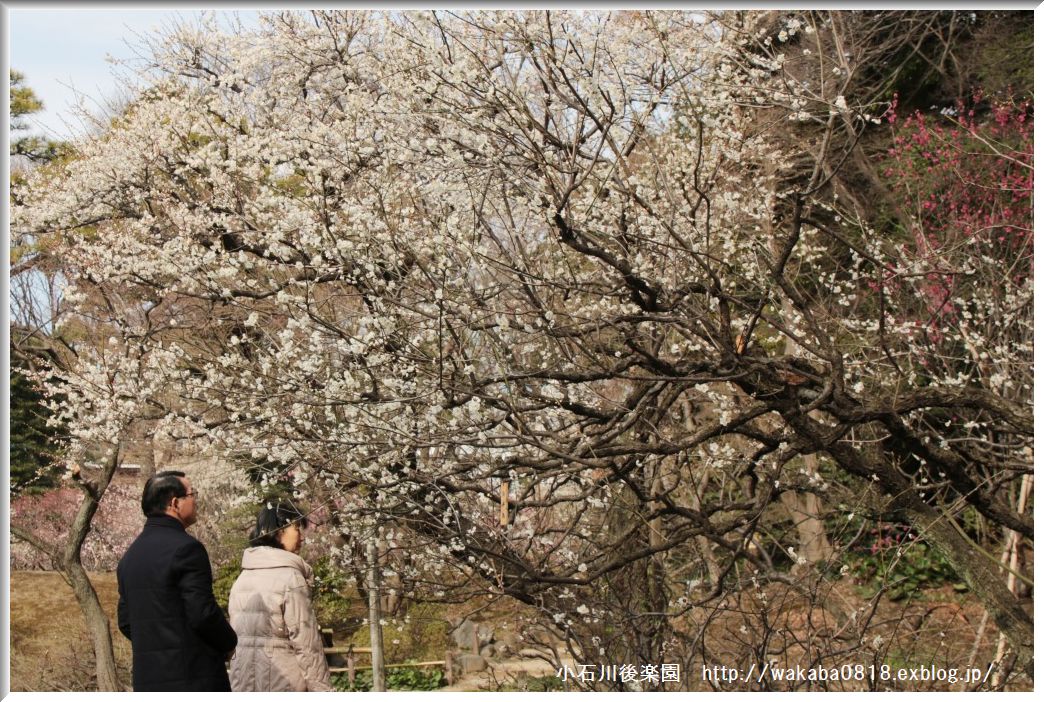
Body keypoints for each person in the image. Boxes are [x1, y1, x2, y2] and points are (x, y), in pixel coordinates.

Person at [117, 470, 238, 691]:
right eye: (192, 494)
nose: (196, 500)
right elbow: (202, 613)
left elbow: (126, 621)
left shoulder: (130, 556)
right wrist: (229, 642)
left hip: (147, 680)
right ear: (175, 503)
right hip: (194, 677)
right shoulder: (186, 548)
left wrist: (158, 645)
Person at [228, 501, 333, 692]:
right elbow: (307, 645)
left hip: (243, 682)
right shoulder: (291, 578)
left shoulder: (243, 577)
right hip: (283, 682)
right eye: (297, 528)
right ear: (280, 529)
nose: (301, 537)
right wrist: (323, 690)